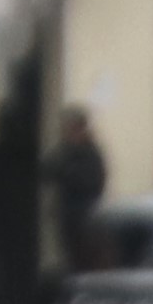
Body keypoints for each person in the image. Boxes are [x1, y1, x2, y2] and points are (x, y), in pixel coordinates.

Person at [45, 107, 111, 280]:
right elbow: (48, 170)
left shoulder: (91, 153)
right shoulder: (64, 150)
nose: (68, 134)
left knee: (84, 258)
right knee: (68, 255)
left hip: (86, 216)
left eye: (71, 128)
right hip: (66, 214)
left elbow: (92, 182)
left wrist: (67, 172)